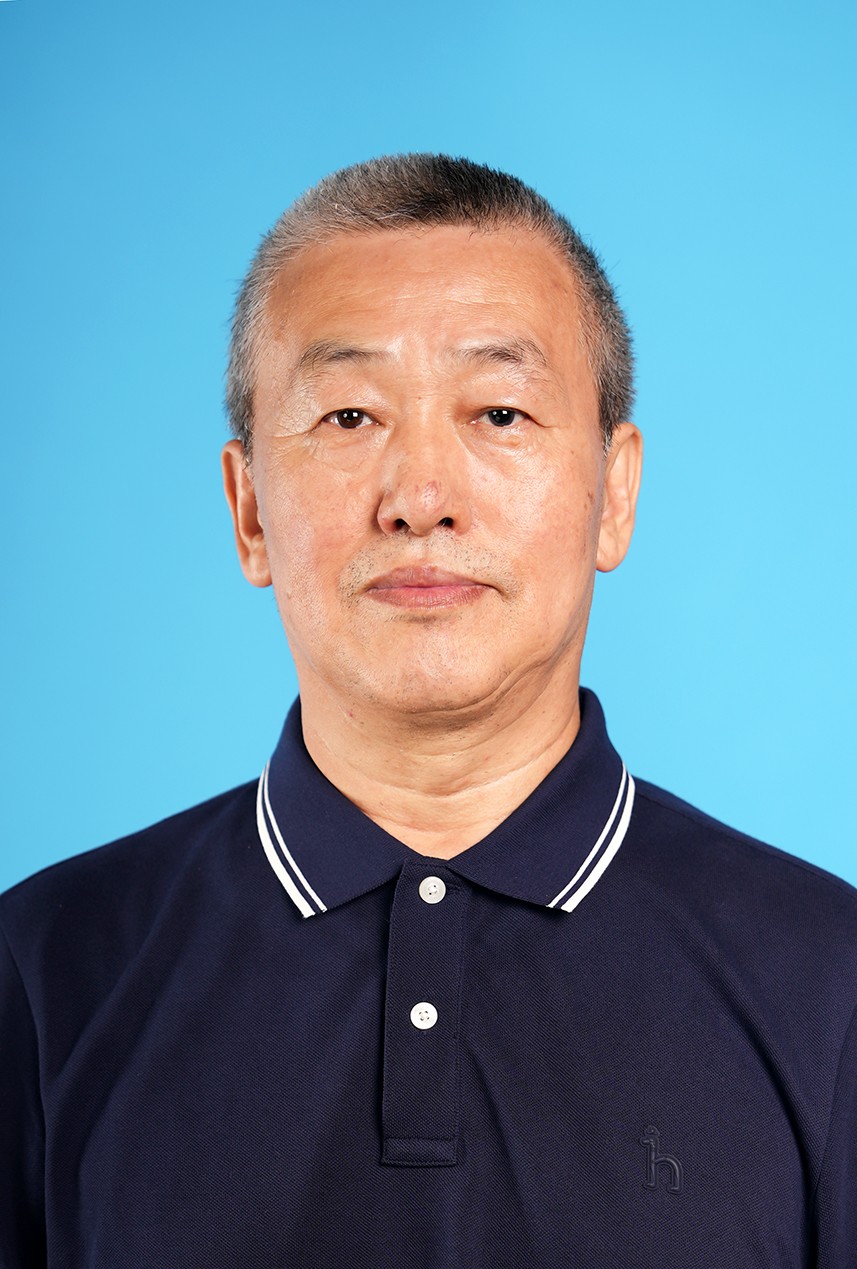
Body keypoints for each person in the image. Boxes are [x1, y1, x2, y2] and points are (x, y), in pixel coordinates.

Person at [1, 154, 855, 1268]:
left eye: (499, 411)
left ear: (614, 493)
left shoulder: (829, 982)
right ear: (248, 510)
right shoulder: (43, 971)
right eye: (349, 415)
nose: (418, 500)